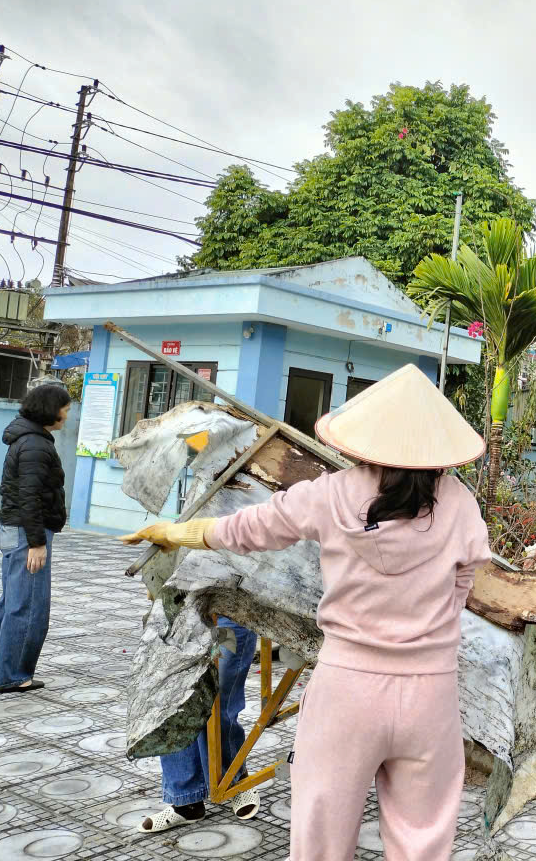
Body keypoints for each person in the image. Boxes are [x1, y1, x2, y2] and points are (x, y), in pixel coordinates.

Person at [121, 364, 491, 861]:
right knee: (423, 840)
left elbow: (246, 529)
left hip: (348, 689)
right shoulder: (463, 505)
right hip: (431, 694)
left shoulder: (333, 493)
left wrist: (173, 532)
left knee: (320, 833)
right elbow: (461, 589)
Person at [0, 381, 71, 694]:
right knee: (28, 606)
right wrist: (37, 543)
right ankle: (12, 675)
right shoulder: (34, 444)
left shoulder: (27, 438)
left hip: (14, 529)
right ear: (51, 410)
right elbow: (29, 496)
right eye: (65, 409)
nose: (67, 416)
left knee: (10, 603)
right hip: (27, 532)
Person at [136, 617, 260, 832]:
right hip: (179, 607)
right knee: (175, 700)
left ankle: (235, 779)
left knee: (218, 701)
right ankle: (186, 800)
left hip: (229, 607)